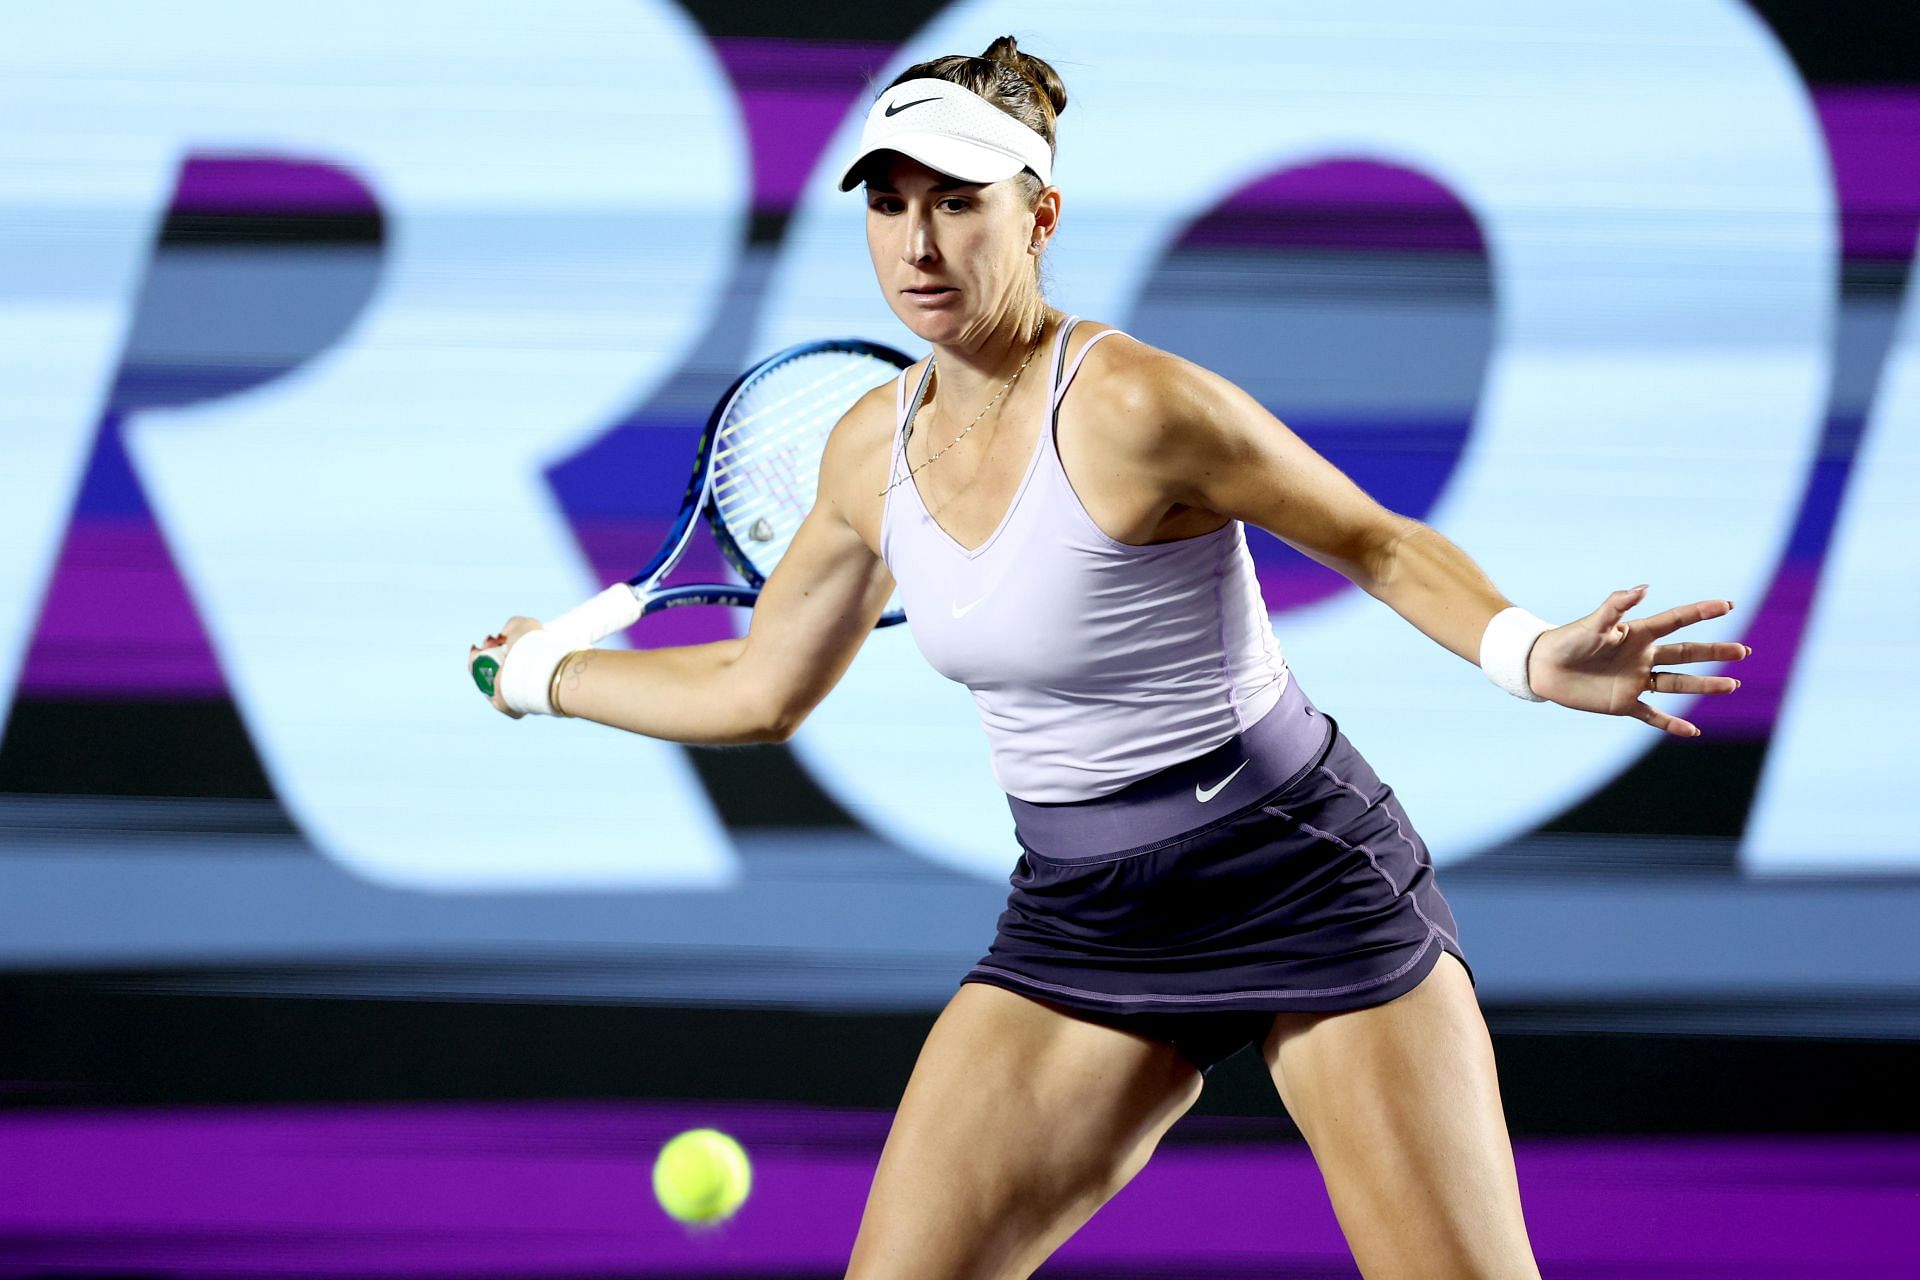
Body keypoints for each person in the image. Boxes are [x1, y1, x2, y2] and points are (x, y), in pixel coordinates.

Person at [469, 36, 1749, 1280]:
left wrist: (1526, 651)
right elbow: (757, 689)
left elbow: (1375, 538)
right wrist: (541, 674)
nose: (918, 243)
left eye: (959, 202)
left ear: (1039, 216)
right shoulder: (868, 452)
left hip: (1298, 874)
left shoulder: (1139, 406)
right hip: (1086, 914)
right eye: (892, 204)